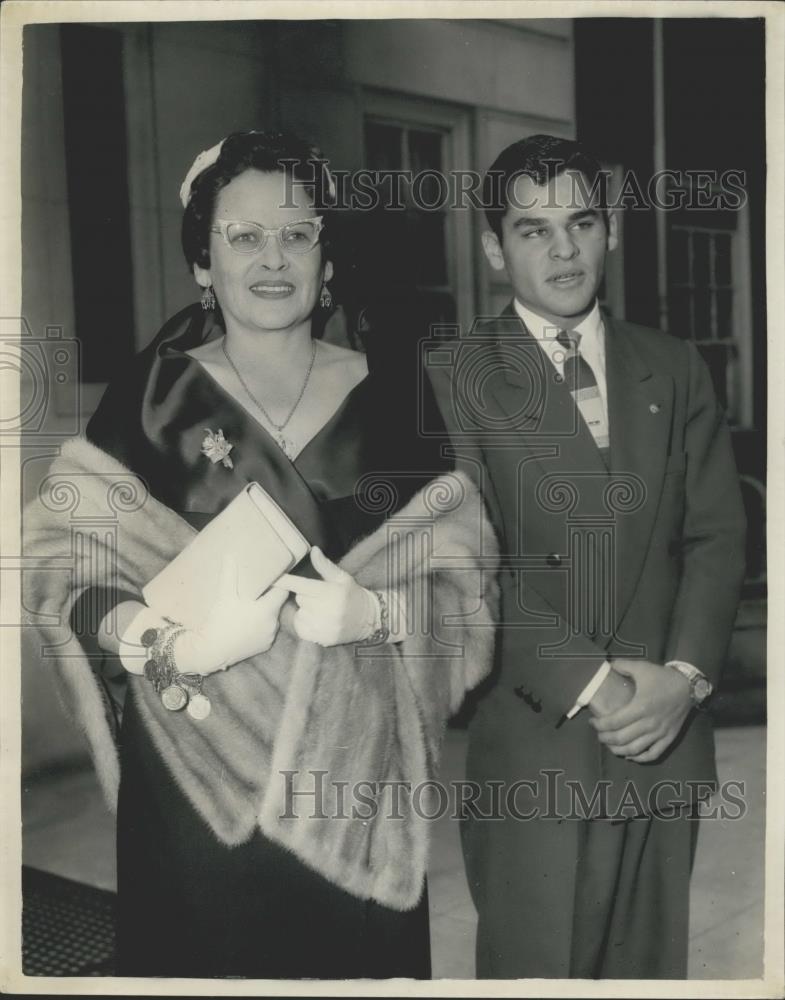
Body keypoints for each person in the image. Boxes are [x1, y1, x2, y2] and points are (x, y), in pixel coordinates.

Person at [24, 130, 498, 979]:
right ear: (202, 263)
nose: (271, 258)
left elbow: (458, 587)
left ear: (327, 258)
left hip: (354, 777)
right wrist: (163, 642)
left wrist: (381, 612)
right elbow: (70, 575)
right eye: (242, 236)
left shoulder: (395, 394)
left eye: (296, 233)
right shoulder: (150, 399)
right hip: (194, 771)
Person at [426, 134, 746, 979]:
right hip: (539, 741)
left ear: (608, 231)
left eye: (581, 222)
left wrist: (682, 677)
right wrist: (599, 686)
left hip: (664, 739)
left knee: (648, 972)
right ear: (495, 249)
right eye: (533, 230)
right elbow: (467, 569)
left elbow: (716, 534)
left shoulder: (673, 368)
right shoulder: (452, 376)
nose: (563, 249)